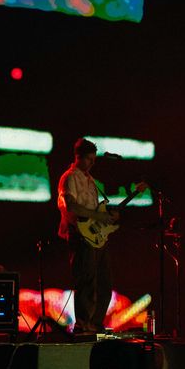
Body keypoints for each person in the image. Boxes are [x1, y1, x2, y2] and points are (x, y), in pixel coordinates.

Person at [57, 138, 115, 334]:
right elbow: (71, 207)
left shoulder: (90, 180)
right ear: (78, 157)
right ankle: (83, 325)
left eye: (94, 159)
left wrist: (106, 217)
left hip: (95, 236)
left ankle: (95, 324)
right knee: (86, 281)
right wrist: (99, 216)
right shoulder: (69, 177)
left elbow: (94, 210)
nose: (92, 163)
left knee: (104, 282)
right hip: (79, 235)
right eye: (89, 159)